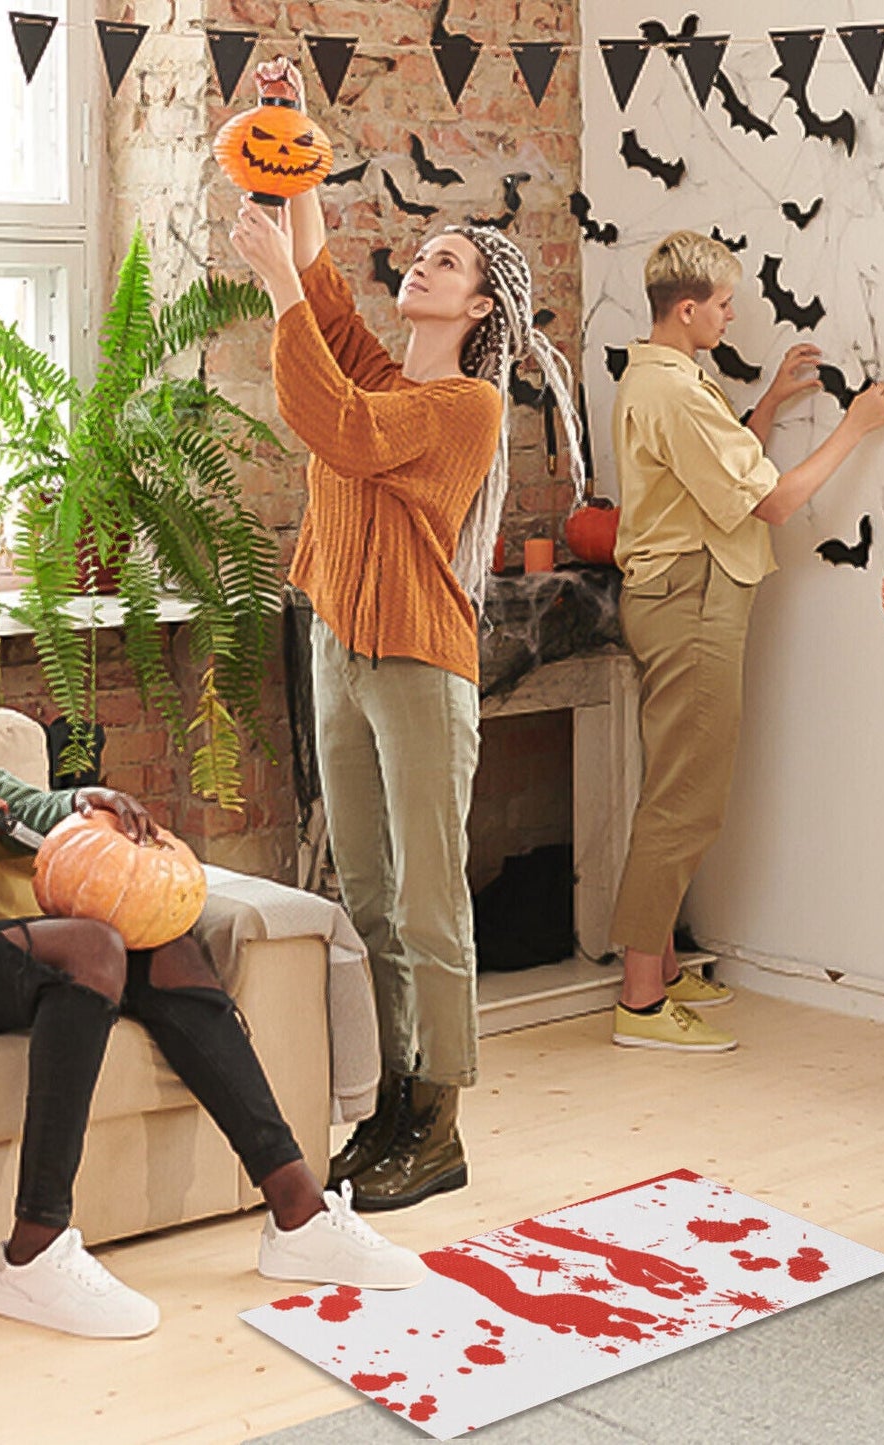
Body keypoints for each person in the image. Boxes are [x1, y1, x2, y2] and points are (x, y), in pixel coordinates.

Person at [0, 580, 426, 1338]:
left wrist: (85, 800)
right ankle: (34, 1249)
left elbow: (15, 800)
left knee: (156, 935)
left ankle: (298, 1212)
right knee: (87, 948)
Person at [229, 60, 585, 1212]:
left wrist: (280, 285)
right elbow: (330, 298)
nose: (419, 266)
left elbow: (335, 419)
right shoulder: (394, 373)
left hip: (421, 668)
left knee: (430, 901)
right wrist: (288, 131)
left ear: (482, 308)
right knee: (368, 893)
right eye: (422, 254)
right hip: (340, 644)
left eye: (445, 262)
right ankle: (390, 1100)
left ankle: (441, 1121)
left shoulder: (466, 409)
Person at [608, 230, 884, 1052]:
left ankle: (659, 969)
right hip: (692, 599)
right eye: (725, 305)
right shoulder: (674, 392)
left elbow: (719, 464)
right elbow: (770, 503)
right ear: (689, 308)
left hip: (680, 593)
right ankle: (639, 1002)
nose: (732, 316)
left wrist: (769, 404)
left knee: (675, 783)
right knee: (685, 798)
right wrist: (854, 426)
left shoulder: (663, 376)